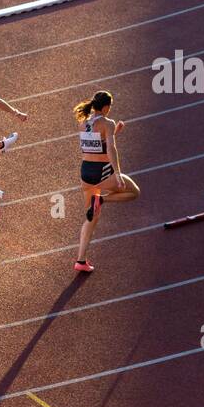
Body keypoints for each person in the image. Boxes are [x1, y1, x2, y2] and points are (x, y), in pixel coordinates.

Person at [73, 90, 140, 272]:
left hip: (86, 173)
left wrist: (114, 133)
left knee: (91, 217)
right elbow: (110, 148)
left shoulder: (83, 123)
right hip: (103, 173)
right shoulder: (107, 123)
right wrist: (117, 173)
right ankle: (102, 199)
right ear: (106, 107)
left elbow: (96, 148)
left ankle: (80, 261)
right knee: (134, 191)